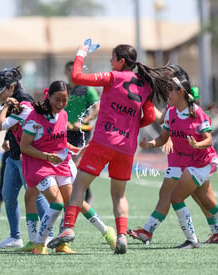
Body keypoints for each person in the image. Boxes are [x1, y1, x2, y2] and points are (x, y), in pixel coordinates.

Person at [47, 42, 170, 254]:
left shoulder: (112, 77)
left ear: (121, 61)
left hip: (103, 141)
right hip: (126, 147)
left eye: (113, 58)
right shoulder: (145, 85)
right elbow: (149, 117)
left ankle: (68, 229)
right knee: (119, 195)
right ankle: (121, 236)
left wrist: (81, 52)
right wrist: (130, 126)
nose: (111, 62)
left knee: (79, 186)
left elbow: (76, 77)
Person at [137, 72, 218, 249]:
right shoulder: (171, 113)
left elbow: (209, 140)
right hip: (189, 163)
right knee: (207, 202)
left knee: (176, 198)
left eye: (171, 92)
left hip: (203, 161)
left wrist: (197, 145)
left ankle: (192, 240)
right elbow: (162, 139)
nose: (168, 95)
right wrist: (148, 144)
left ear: (181, 92)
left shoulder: (197, 114)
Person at [20, 80, 116, 254]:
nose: (61, 104)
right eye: (57, 99)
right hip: (39, 164)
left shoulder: (63, 115)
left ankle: (105, 232)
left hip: (60, 163)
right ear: (48, 97)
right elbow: (24, 146)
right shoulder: (35, 117)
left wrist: (78, 149)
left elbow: (61, 144)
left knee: (73, 202)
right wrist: (46, 156)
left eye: (65, 100)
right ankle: (38, 244)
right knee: (56, 204)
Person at [0, 67, 49, 248]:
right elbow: (2, 126)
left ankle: (49, 234)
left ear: (11, 87)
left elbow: (19, 125)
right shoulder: (9, 101)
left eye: (1, 91)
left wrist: (5, 108)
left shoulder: (25, 102)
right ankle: (15, 237)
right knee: (8, 195)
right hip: (13, 155)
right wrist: (7, 137)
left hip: (27, 157)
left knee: (35, 196)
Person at [64, 61, 100, 203]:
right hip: (64, 131)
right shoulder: (63, 88)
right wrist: (63, 121)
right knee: (65, 163)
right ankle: (84, 192)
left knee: (76, 162)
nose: (71, 73)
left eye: (74, 70)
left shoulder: (87, 89)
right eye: (69, 70)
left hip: (82, 132)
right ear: (65, 72)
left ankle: (78, 195)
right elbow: (54, 106)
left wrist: (84, 120)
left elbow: (97, 108)